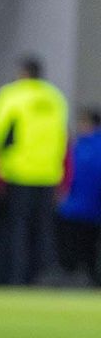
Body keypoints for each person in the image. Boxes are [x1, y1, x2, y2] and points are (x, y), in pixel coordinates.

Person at [0, 57, 68, 285]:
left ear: (22, 73)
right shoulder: (54, 97)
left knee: (17, 228)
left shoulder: (11, 95)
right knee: (43, 229)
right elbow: (63, 136)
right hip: (48, 173)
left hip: (18, 172)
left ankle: (16, 276)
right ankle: (42, 277)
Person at [55, 107, 101, 285]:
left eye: (83, 122)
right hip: (84, 209)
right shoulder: (78, 146)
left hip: (78, 209)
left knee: (78, 251)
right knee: (86, 252)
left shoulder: (81, 148)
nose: (80, 126)